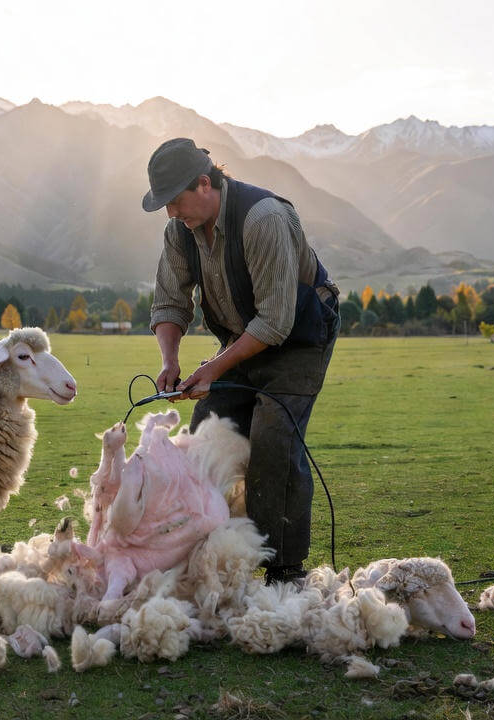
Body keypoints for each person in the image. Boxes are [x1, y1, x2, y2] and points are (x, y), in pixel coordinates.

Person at [142, 137, 340, 585]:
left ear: (205, 183)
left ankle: (285, 569)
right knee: (207, 431)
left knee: (273, 439)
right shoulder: (181, 231)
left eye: (175, 201)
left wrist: (212, 368)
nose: (172, 213)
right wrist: (170, 359)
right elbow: (170, 302)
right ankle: (216, 550)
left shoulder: (263, 218)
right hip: (241, 337)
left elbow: (274, 322)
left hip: (298, 338)